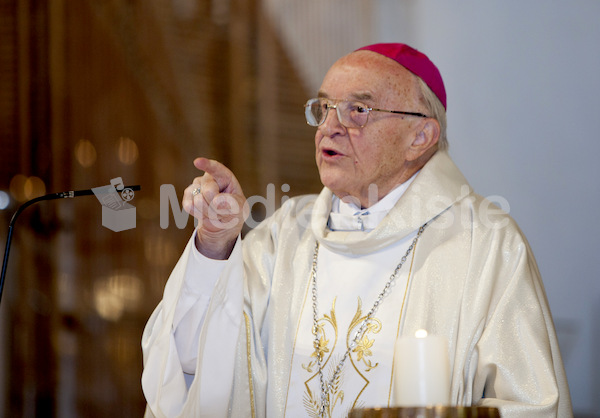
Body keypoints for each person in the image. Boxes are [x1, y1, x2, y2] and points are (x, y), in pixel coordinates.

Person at [141, 43, 572, 417]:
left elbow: (529, 404)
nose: (329, 126)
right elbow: (197, 367)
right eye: (324, 108)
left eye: (358, 110)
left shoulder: (484, 244)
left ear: (420, 137)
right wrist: (215, 245)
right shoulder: (284, 235)